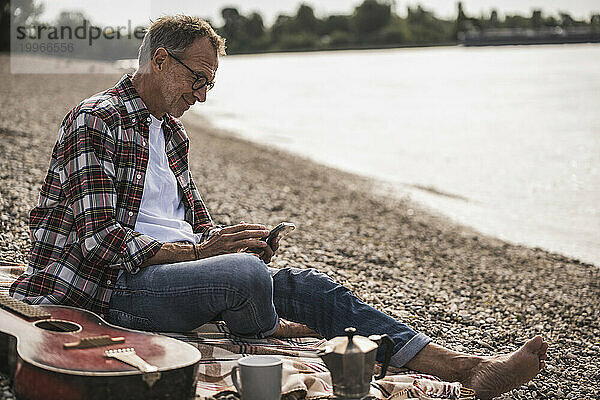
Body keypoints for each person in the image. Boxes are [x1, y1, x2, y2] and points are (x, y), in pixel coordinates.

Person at [10, 15, 547, 399]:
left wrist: (228, 241)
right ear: (159, 60)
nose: (201, 95)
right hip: (112, 292)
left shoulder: (170, 134)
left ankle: (468, 369)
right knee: (245, 277)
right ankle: (259, 322)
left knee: (317, 288)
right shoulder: (96, 119)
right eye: (197, 78)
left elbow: (193, 221)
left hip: (178, 273)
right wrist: (202, 252)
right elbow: (100, 244)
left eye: (210, 83)